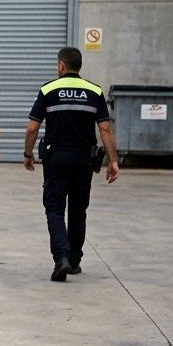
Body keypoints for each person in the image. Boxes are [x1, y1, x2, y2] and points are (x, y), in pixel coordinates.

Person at [23, 47, 119, 282]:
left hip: (56, 158)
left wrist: (27, 154)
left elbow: (32, 127)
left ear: (61, 66)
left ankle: (61, 258)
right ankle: (74, 261)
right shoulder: (94, 91)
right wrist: (113, 160)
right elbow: (105, 128)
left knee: (54, 209)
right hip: (83, 160)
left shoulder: (48, 89)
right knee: (78, 210)